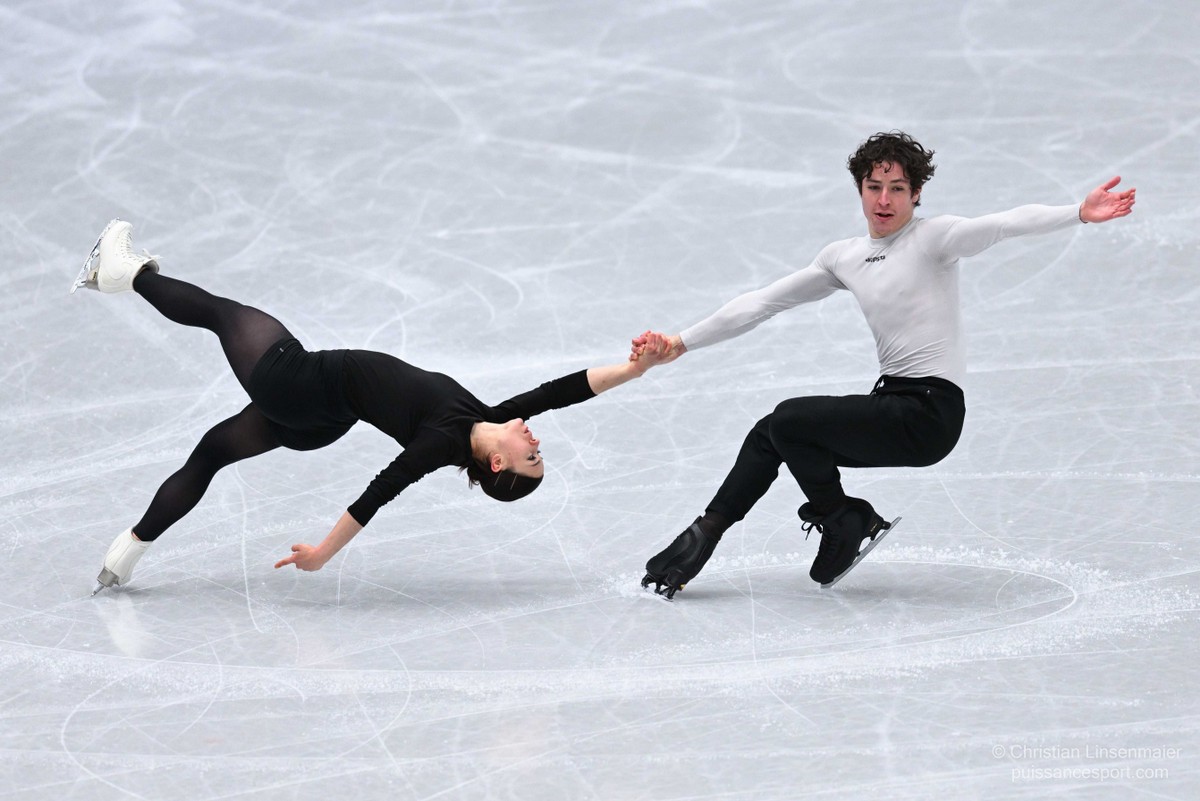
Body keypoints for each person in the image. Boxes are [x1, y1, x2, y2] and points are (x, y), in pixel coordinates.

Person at [632, 131, 1136, 599]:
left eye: (897, 189)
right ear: (860, 189)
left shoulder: (934, 239)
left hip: (929, 414)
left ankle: (842, 517)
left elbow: (1003, 224)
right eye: (874, 187)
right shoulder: (844, 257)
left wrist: (1077, 212)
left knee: (790, 419)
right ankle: (704, 535)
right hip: (891, 402)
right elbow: (763, 302)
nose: (884, 200)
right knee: (773, 432)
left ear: (916, 194)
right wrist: (681, 342)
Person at [73, 219, 668, 594]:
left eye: (530, 457)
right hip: (319, 421)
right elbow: (564, 391)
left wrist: (321, 554)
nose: (535, 441)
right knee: (209, 455)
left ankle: (126, 273)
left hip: (302, 385)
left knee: (222, 315)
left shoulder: (441, 441)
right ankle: (126, 553)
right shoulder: (485, 415)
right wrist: (636, 368)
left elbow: (378, 493)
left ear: (496, 464)